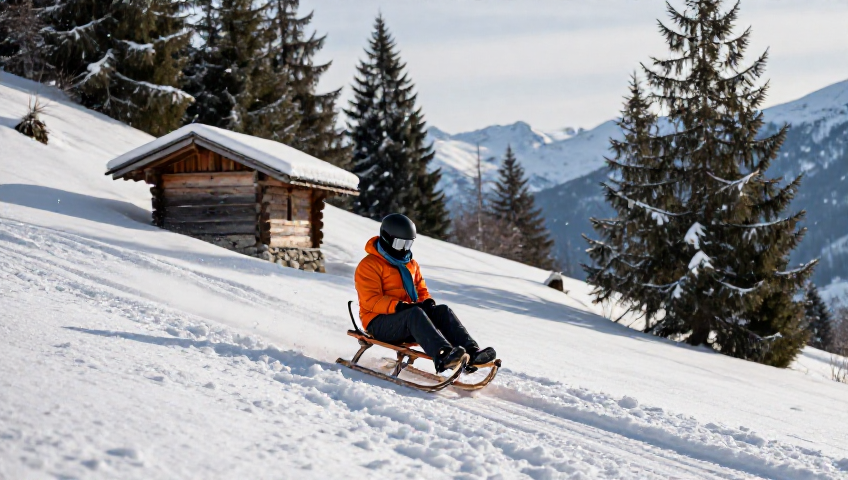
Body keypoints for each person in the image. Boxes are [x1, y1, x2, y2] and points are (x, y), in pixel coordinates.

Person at [354, 213, 496, 373]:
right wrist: (400, 307)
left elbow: (421, 291)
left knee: (442, 311)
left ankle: (472, 353)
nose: (404, 249)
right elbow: (370, 300)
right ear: (387, 238)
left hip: (408, 319)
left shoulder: (411, 265)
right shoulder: (369, 265)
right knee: (414, 313)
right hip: (378, 324)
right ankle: (443, 356)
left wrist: (427, 302)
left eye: (408, 244)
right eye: (400, 244)